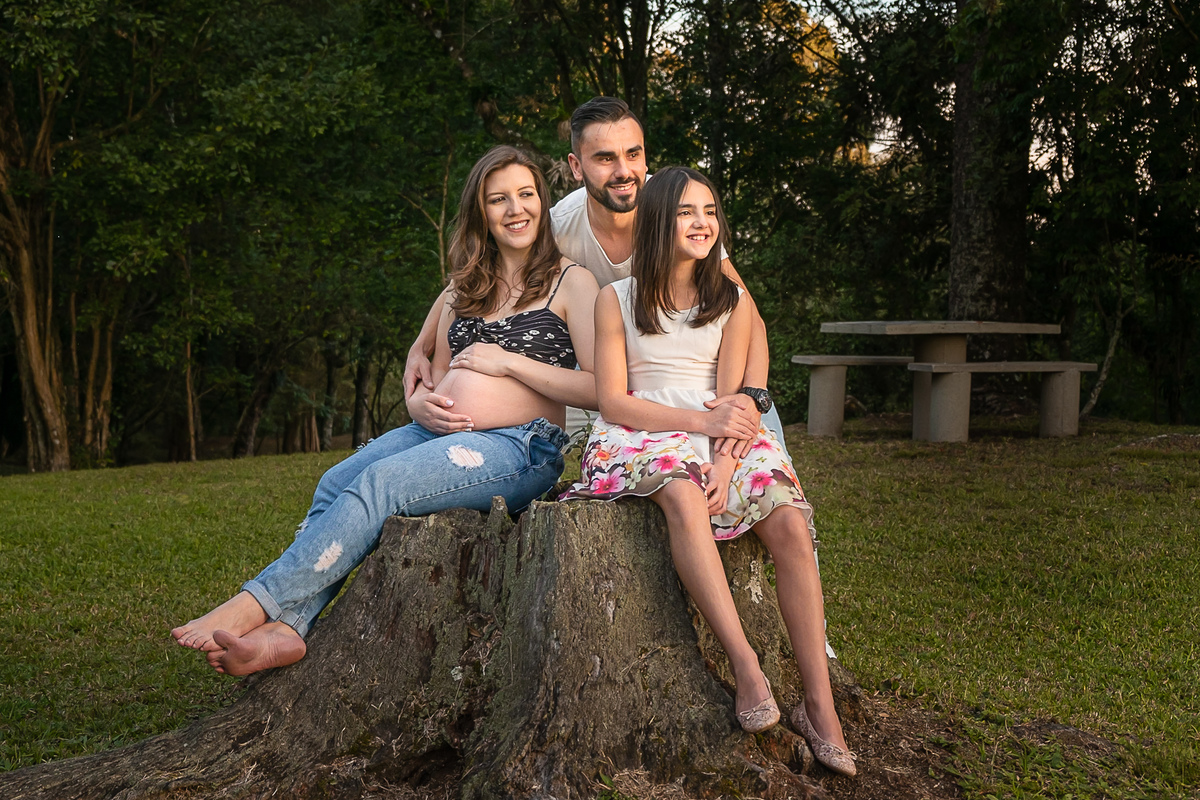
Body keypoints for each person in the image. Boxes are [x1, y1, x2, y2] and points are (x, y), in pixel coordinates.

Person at [171, 146, 599, 676]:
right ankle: (288, 628)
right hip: (435, 433)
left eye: (527, 194)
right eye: (499, 199)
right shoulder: (463, 289)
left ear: (542, 201)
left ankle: (254, 603)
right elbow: (433, 374)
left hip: (521, 446)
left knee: (384, 484)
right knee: (336, 479)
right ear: (480, 213)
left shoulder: (570, 282)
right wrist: (419, 401)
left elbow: (599, 388)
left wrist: (509, 361)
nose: (516, 209)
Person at [559, 167, 854, 777]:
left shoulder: (732, 298)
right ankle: (746, 667)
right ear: (659, 220)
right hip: (639, 430)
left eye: (711, 212)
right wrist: (698, 434)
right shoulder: (614, 300)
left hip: (720, 431)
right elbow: (613, 401)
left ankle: (820, 706)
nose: (703, 224)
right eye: (688, 212)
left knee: (791, 521)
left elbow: (730, 397)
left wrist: (723, 458)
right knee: (685, 495)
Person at [403, 98, 775, 464]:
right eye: (604, 158)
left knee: (756, 446)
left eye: (633, 154)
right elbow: (478, 272)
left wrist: (753, 396)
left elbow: (746, 314)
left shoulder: (678, 218)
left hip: (693, 371)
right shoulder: (556, 225)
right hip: (606, 381)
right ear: (576, 167)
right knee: (597, 452)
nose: (623, 171)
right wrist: (421, 345)